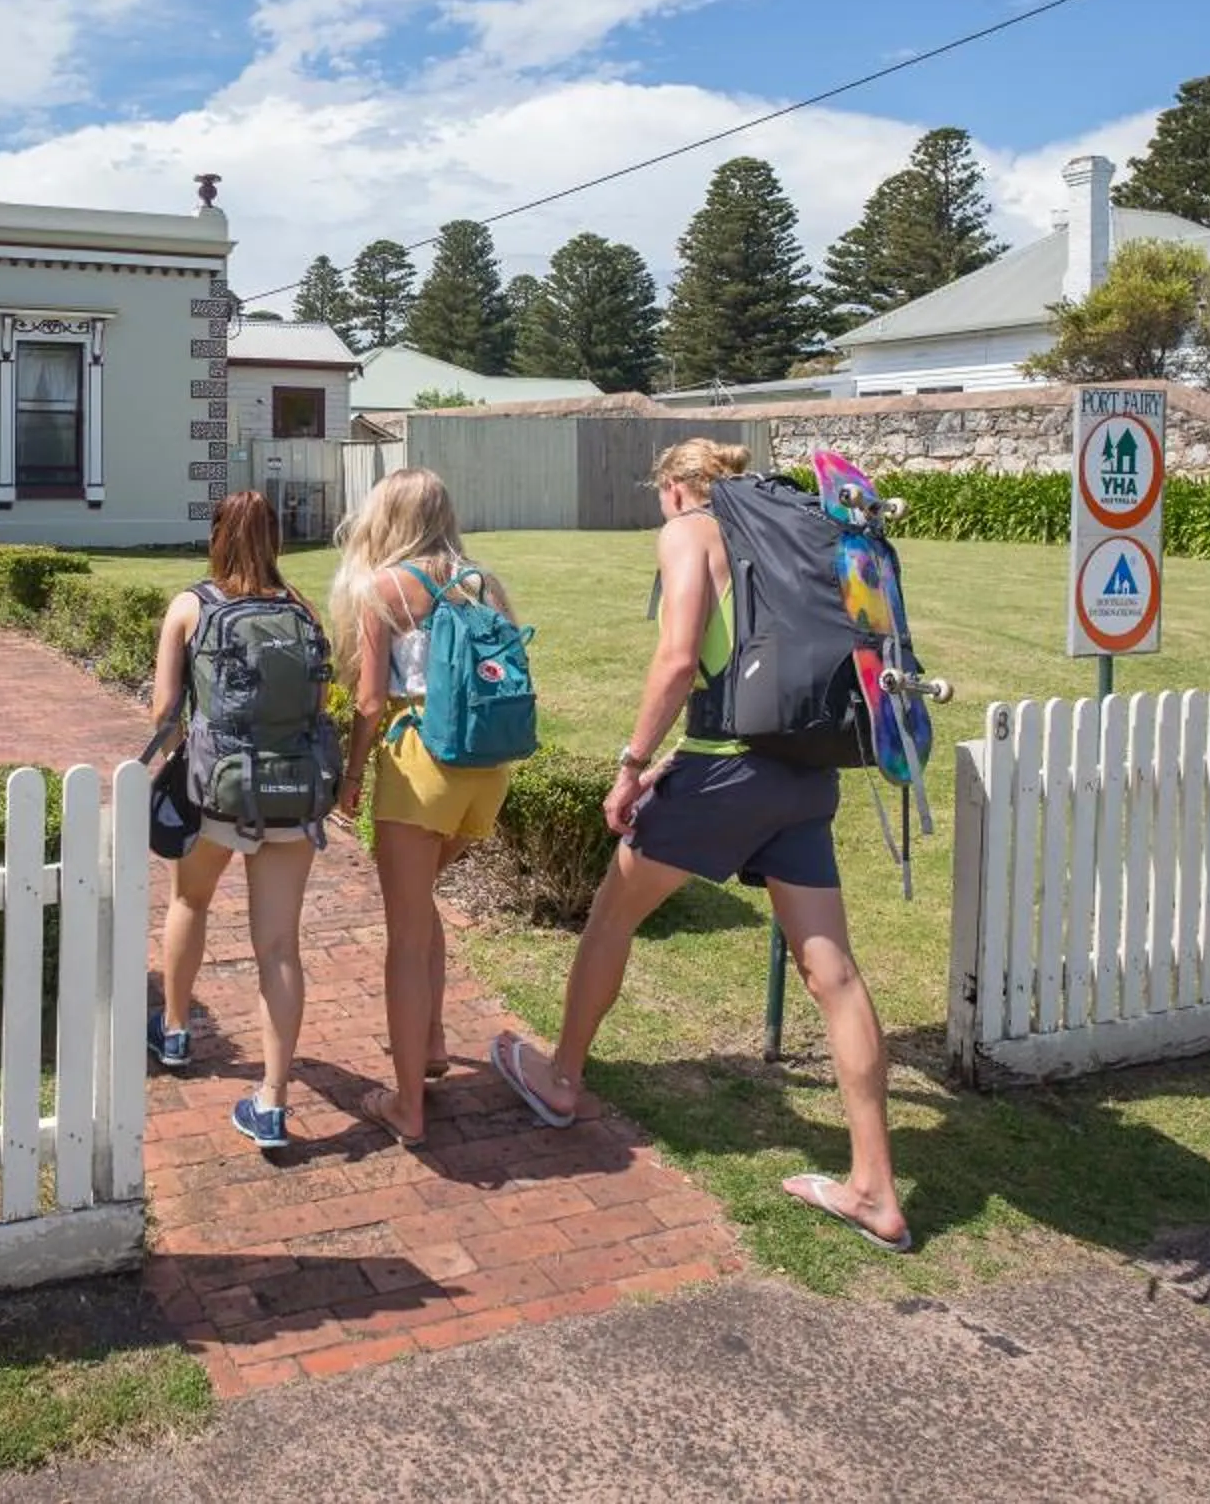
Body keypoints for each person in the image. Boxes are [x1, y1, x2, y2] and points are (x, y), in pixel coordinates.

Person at [493, 439, 912, 1253]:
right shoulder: (800, 529)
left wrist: (632, 765)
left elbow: (681, 657)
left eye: (662, 498)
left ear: (679, 489)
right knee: (835, 973)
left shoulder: (693, 531)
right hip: (804, 769)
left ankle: (560, 1078)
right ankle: (875, 1189)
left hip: (726, 773)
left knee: (612, 915)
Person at [332, 466, 515, 1148]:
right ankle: (432, 1043)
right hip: (485, 771)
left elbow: (372, 702)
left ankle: (406, 1105)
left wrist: (352, 775)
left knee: (403, 935)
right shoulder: (482, 581)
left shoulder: (386, 589)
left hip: (421, 766)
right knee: (422, 904)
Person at [144, 489, 325, 1151]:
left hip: (218, 792)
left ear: (216, 538)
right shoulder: (302, 608)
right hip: (292, 793)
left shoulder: (191, 606)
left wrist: (157, 767)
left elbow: (166, 715)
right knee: (280, 948)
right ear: (276, 540)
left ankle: (176, 1030)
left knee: (189, 900)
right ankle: (272, 1102)